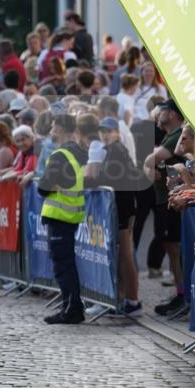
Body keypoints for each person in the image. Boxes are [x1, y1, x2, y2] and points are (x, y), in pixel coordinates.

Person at [85, 117, 143, 315]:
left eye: (109, 131)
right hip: (120, 206)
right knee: (121, 256)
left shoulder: (117, 150)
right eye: (102, 131)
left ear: (117, 132)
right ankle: (123, 298)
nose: (105, 135)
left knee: (126, 256)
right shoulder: (112, 149)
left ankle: (133, 301)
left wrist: (88, 181)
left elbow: (108, 178)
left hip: (123, 208)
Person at [37, 116, 88, 324]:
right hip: (70, 215)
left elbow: (43, 186)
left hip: (60, 216)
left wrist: (50, 186)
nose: (50, 130)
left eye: (53, 126)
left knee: (63, 266)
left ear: (60, 128)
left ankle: (71, 309)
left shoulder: (60, 155)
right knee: (67, 264)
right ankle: (71, 306)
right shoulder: (77, 152)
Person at [143, 101, 186, 317]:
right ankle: (181, 293)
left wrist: (148, 166)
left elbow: (150, 159)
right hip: (166, 200)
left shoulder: (177, 134)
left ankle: (184, 295)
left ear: (173, 114)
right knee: (171, 247)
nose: (159, 114)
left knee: (175, 248)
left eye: (163, 111)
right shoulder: (169, 135)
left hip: (175, 201)